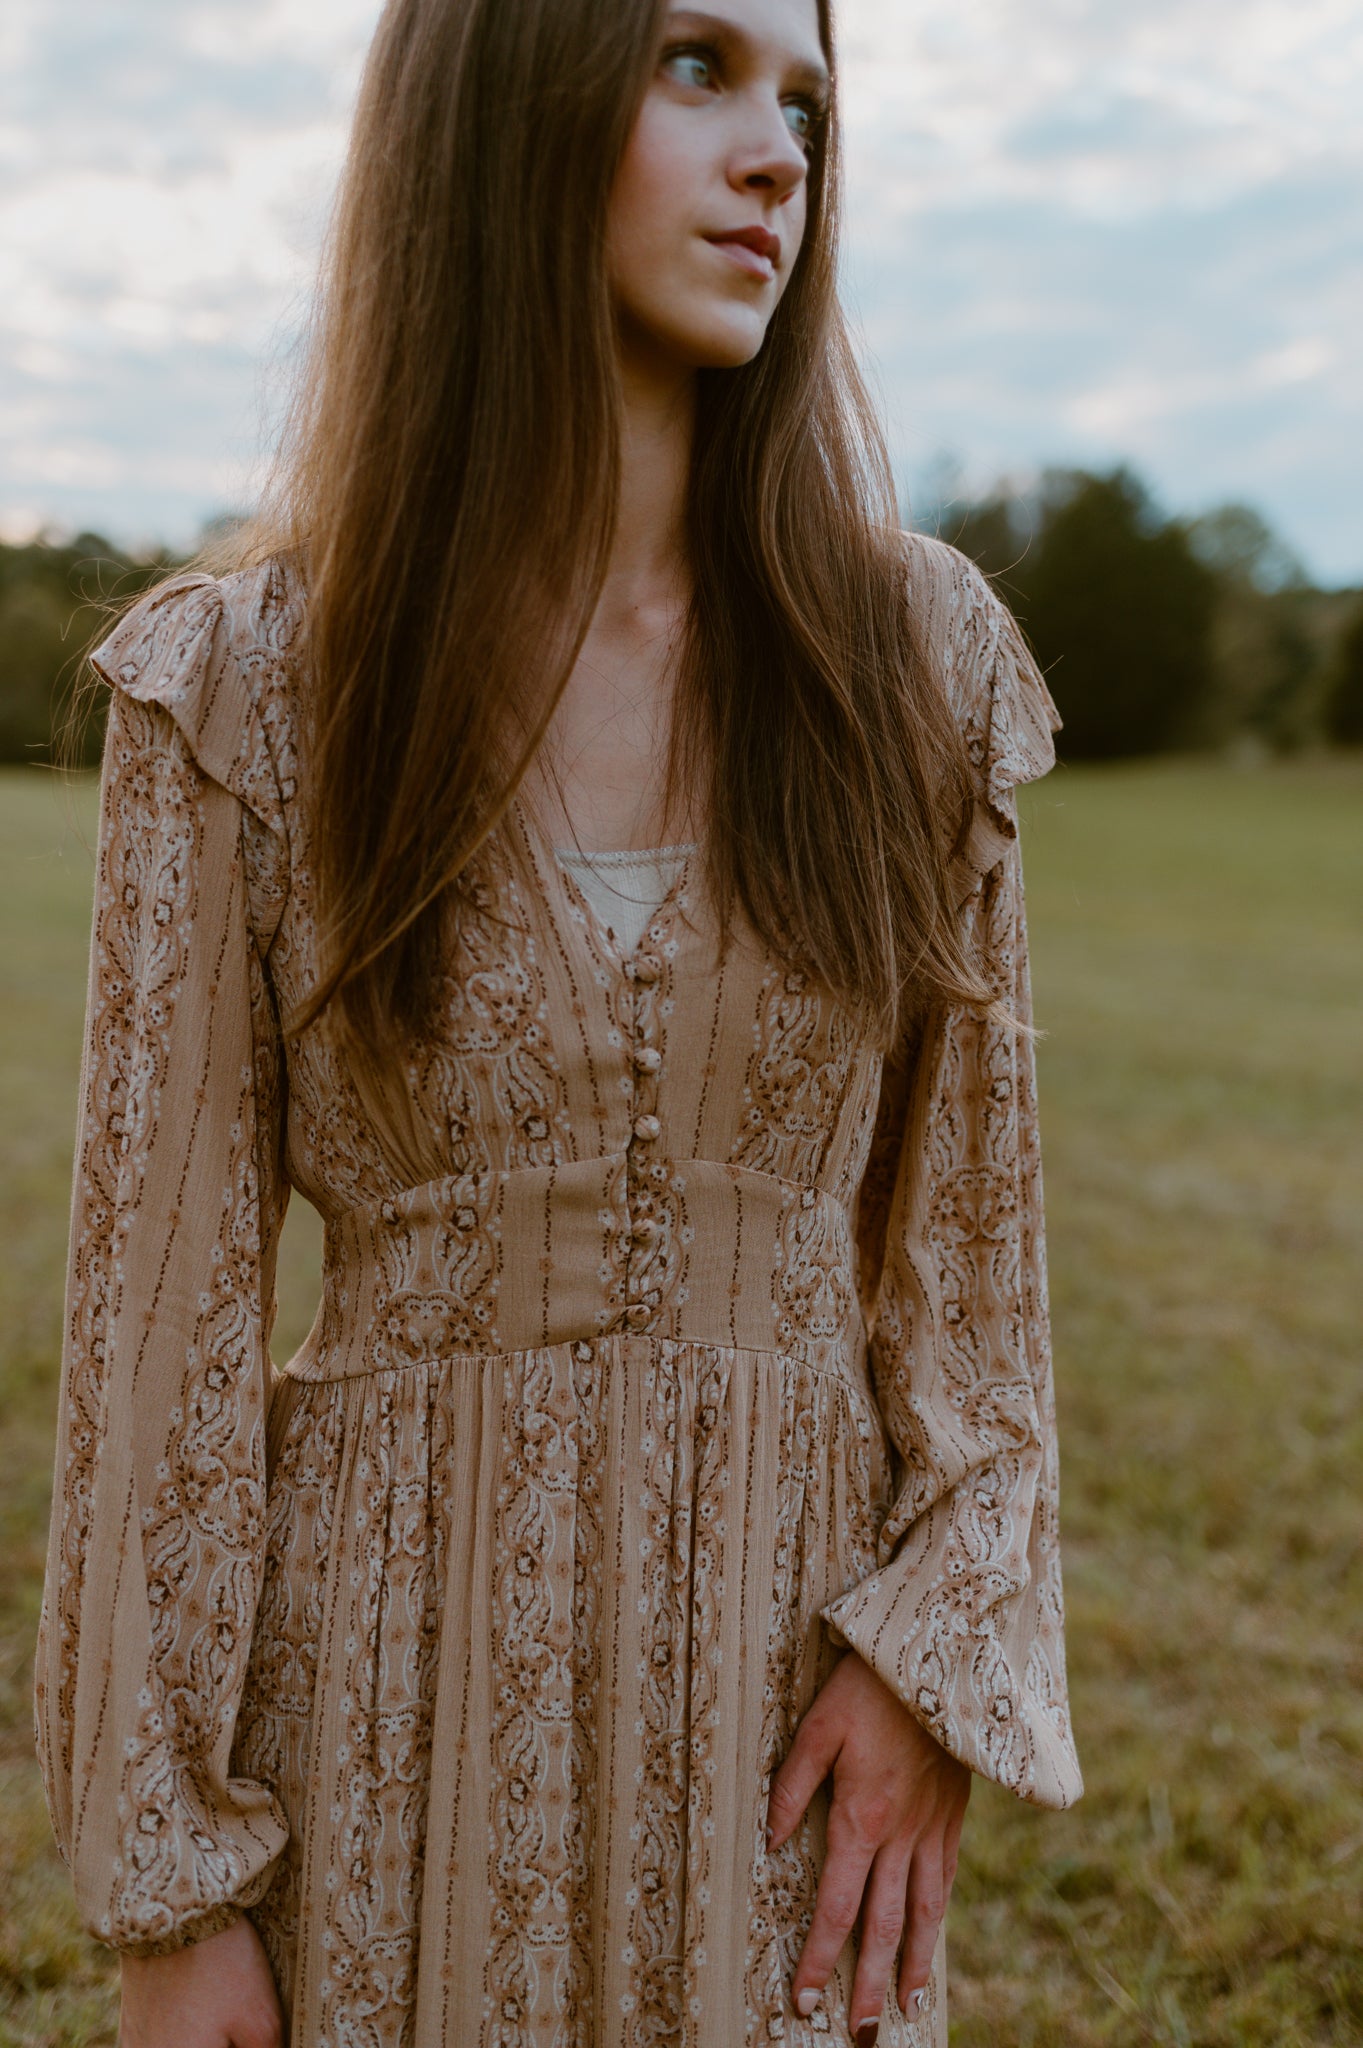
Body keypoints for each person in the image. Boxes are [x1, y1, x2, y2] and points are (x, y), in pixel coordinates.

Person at [35, 0, 1083, 2042]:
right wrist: (173, 1895)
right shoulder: (247, 690)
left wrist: (928, 1657)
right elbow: (148, 1333)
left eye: (803, 96)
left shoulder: (915, 666)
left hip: (784, 1753)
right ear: (495, 95)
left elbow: (976, 1251)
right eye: (692, 65)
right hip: (379, 1748)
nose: (779, 151)